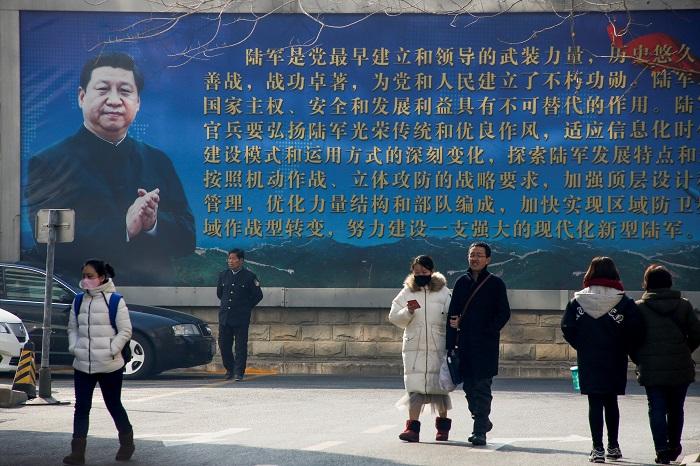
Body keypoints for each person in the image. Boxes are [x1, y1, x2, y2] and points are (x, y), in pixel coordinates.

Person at [25, 52, 195, 285]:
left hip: (153, 303)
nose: (114, 100)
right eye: (103, 89)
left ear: (138, 103)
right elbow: (48, 241)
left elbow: (188, 238)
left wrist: (152, 223)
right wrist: (124, 227)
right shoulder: (48, 162)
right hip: (80, 297)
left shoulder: (158, 160)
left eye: (125, 92)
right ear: (82, 97)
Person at [561, 256, 644, 464]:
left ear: (590, 273)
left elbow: (567, 327)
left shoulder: (577, 300)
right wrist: (625, 347)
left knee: (594, 402)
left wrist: (582, 345)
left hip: (589, 357)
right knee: (611, 401)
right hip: (615, 357)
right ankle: (613, 446)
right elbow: (635, 329)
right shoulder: (624, 302)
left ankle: (597, 448)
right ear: (614, 274)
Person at [64, 259, 134, 465]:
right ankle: (77, 451)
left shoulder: (115, 301)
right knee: (81, 407)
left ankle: (127, 442)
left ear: (102, 278)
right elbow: (72, 328)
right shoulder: (78, 301)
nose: (85, 280)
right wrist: (74, 348)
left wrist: (112, 350)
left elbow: (125, 331)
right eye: (84, 276)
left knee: (113, 404)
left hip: (109, 365)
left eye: (90, 276)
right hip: (83, 364)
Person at [632, 265, 700, 464]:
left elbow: (632, 338)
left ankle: (661, 450)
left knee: (656, 408)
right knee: (676, 408)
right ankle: (674, 446)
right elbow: (696, 334)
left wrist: (639, 357)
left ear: (647, 283)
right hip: (680, 365)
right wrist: (684, 350)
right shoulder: (684, 305)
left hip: (651, 366)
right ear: (669, 282)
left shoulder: (639, 307)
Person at [446, 241, 511, 446]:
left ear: (488, 259)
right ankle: (482, 419)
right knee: (469, 387)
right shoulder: (461, 282)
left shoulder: (495, 284)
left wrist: (487, 331)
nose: (475, 258)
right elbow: (452, 314)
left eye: (479, 255)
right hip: (463, 344)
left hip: (485, 346)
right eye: (472, 254)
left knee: (482, 386)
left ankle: (479, 430)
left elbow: (503, 313)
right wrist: (450, 342)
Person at [389, 255, 453, 443]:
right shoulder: (406, 292)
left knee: (440, 389)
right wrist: (407, 312)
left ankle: (442, 429)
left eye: (424, 272)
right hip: (414, 347)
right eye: (416, 272)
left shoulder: (444, 292)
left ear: (432, 271)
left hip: (438, 345)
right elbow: (394, 316)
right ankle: (412, 429)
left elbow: (453, 315)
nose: (420, 275)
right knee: (414, 388)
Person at [217, 248, 263, 381]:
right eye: (229, 258)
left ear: (241, 261)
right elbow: (220, 294)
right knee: (224, 345)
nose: (230, 261)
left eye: (233, 259)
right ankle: (230, 369)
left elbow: (258, 295)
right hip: (225, 316)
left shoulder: (249, 276)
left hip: (241, 317)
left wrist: (246, 307)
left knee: (240, 346)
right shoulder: (223, 275)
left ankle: (239, 372)